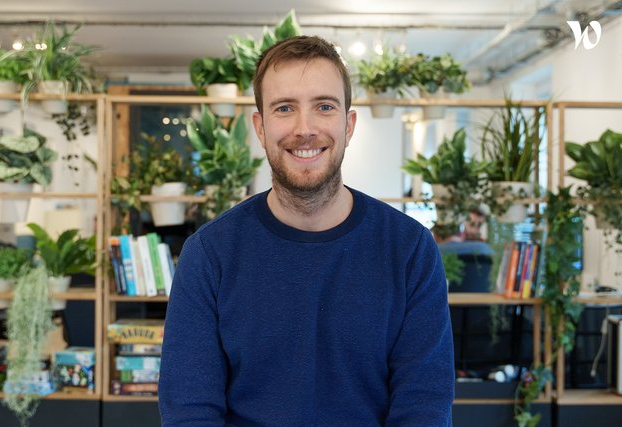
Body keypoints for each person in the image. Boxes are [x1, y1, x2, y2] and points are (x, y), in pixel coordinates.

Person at [159, 35, 454, 426]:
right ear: (260, 127)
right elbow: (190, 412)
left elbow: (424, 407)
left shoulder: (410, 250)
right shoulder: (209, 255)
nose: (305, 128)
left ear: (348, 125)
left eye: (324, 106)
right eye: (284, 108)